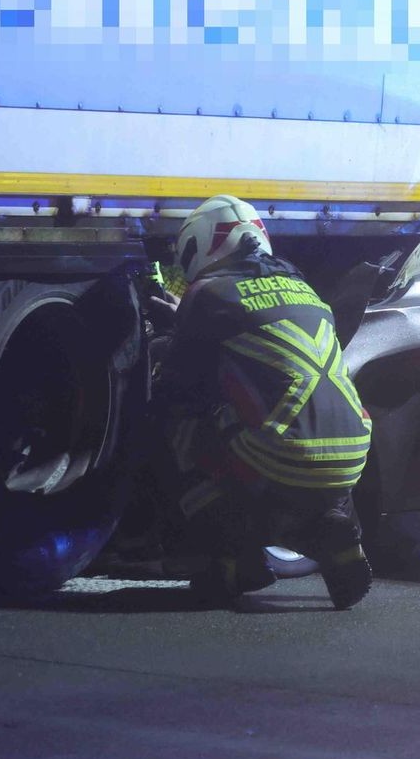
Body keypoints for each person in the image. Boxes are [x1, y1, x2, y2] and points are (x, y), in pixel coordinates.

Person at [152, 195, 374, 610]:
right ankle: (334, 532)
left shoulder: (207, 291)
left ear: (200, 245)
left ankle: (234, 556)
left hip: (283, 452)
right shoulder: (304, 287)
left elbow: (179, 386)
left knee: (176, 426)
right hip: (354, 453)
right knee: (313, 431)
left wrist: (172, 335)